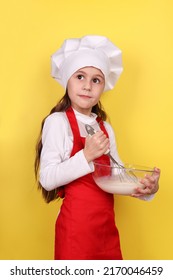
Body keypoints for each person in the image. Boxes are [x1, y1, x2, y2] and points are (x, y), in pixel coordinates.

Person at [35, 35, 160, 260]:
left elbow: (117, 174)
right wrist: (87, 155)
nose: (87, 86)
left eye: (96, 80)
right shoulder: (58, 122)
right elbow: (47, 177)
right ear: (67, 81)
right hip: (75, 231)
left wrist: (144, 189)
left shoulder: (105, 128)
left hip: (105, 230)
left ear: (103, 86)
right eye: (80, 76)